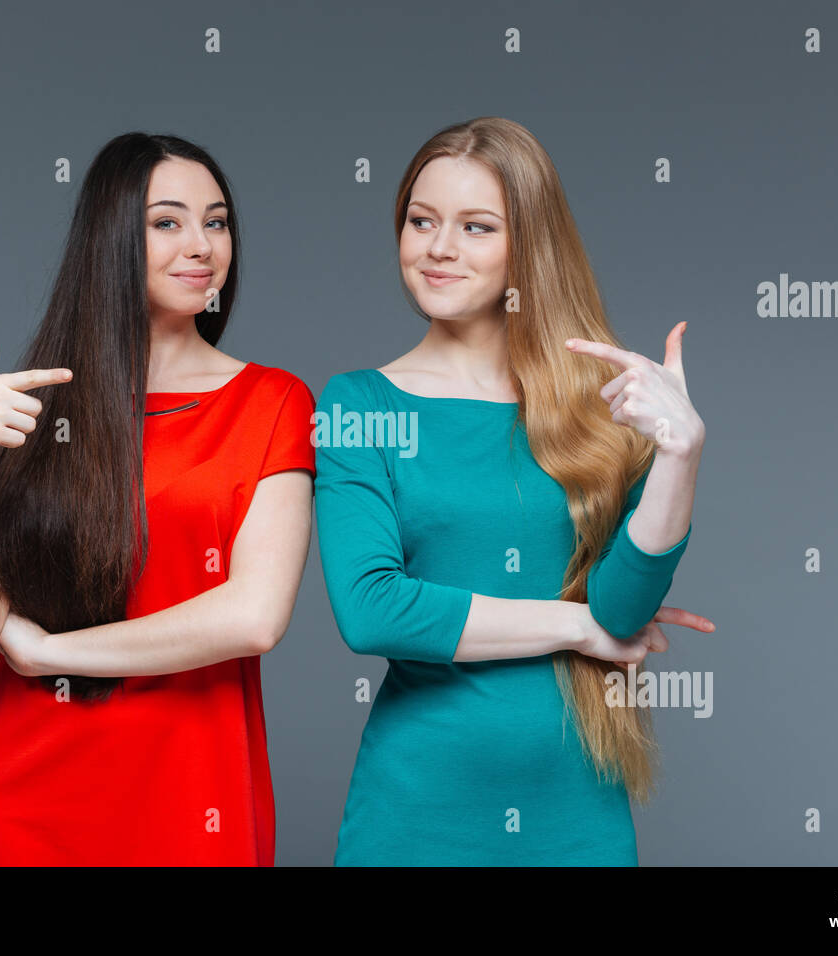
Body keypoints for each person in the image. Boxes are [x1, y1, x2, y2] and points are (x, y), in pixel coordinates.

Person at [313, 117, 713, 865]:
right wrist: (575, 628)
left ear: (527, 246)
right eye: (421, 220)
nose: (438, 247)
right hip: (416, 816)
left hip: (578, 813)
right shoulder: (359, 404)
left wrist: (679, 455)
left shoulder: (602, 401)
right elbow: (371, 610)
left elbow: (621, 612)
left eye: (477, 227)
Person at [0, 132, 315, 865]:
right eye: (167, 222)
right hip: (31, 785)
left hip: (192, 787)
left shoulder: (273, 401)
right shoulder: (29, 404)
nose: (201, 244)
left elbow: (253, 616)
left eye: (217, 221)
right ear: (109, 241)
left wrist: (50, 653)